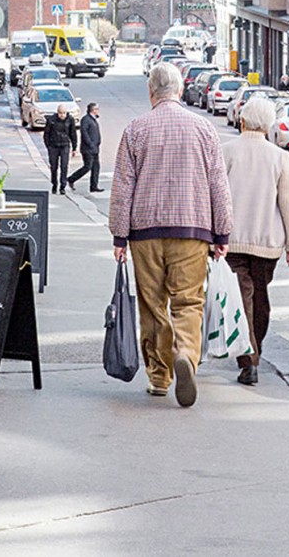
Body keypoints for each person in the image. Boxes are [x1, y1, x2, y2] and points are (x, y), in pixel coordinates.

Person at [109, 61, 233, 407]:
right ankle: (186, 354)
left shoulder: (136, 129)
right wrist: (222, 232)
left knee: (152, 305)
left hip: (144, 232)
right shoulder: (204, 129)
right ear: (179, 91)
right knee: (188, 301)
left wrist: (119, 237)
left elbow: (122, 188)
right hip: (192, 230)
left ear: (151, 92)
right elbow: (218, 185)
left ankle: (160, 377)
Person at [223, 95, 289, 386]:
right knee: (260, 299)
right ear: (268, 125)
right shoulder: (279, 156)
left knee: (242, 300)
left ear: (242, 120)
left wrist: (212, 235)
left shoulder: (227, 151)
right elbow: (287, 201)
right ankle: (253, 356)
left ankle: (249, 359)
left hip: (231, 242)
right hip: (268, 243)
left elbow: (217, 198)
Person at [68, 102, 102, 193]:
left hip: (95, 148)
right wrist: (90, 144)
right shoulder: (86, 119)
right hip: (88, 149)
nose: (98, 111)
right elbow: (84, 133)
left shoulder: (93, 119)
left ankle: (94, 186)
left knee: (96, 167)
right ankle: (71, 179)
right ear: (92, 110)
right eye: (97, 109)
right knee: (87, 167)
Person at [44, 103, 77, 194]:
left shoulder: (70, 120)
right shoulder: (51, 120)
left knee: (64, 166)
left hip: (65, 145)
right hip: (53, 146)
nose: (62, 115)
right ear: (57, 112)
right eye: (60, 113)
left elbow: (73, 134)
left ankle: (63, 186)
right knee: (54, 167)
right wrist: (48, 146)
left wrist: (74, 147)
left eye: (63, 113)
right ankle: (54, 183)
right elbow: (46, 133)